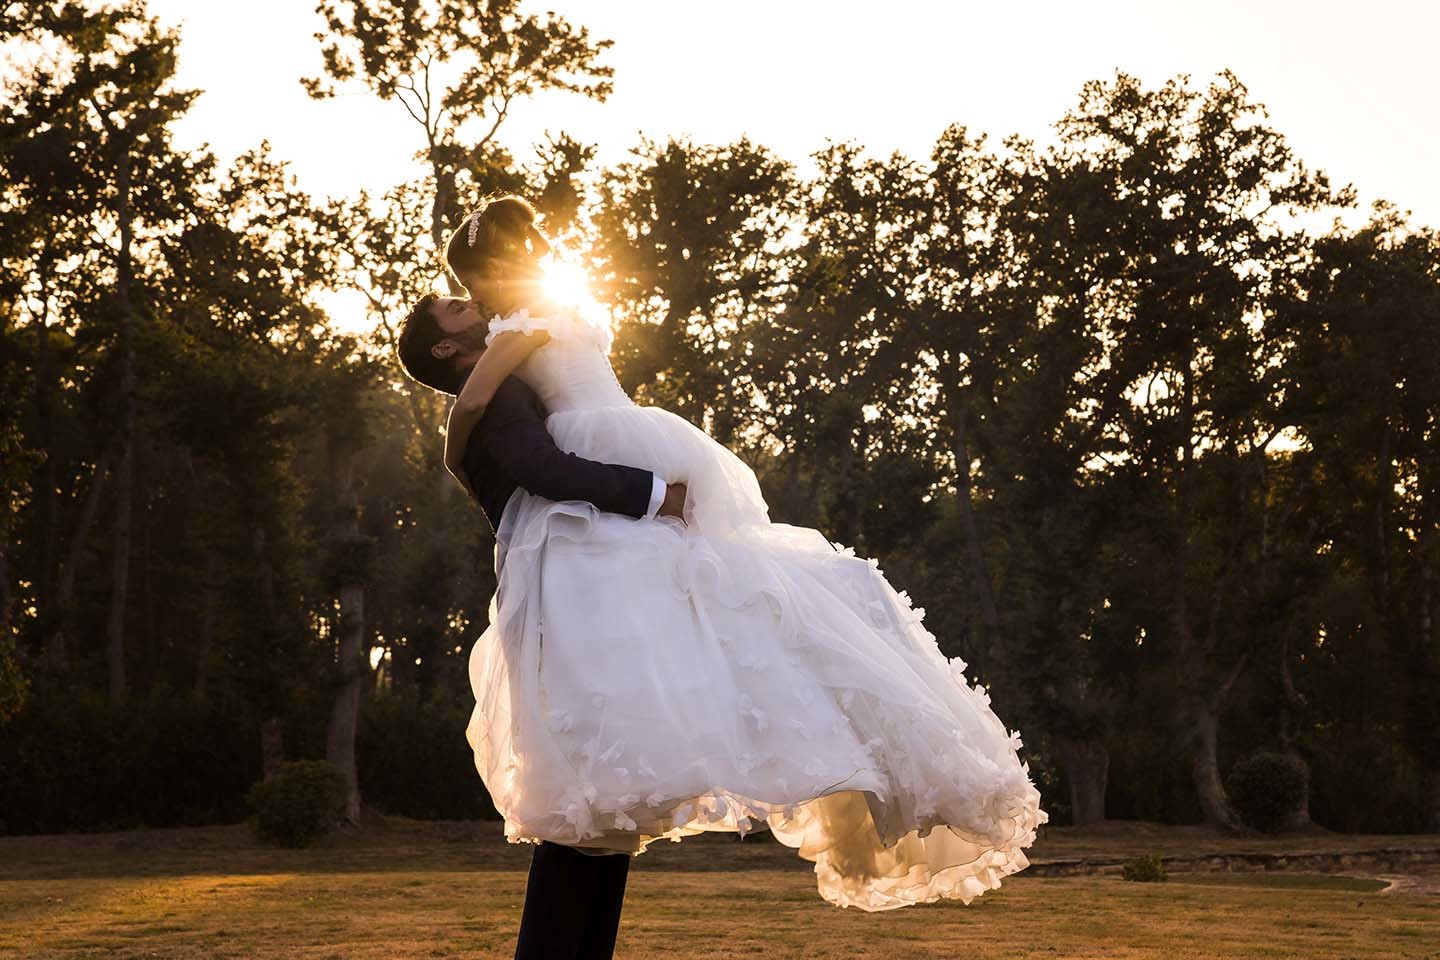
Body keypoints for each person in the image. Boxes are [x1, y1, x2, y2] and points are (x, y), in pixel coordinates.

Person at [409, 193, 1048, 917]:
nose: (465, 300)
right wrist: (455, 450)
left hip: (621, 440)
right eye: (454, 304)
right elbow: (474, 402)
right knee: (689, 595)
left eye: (464, 291)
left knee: (731, 586)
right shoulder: (516, 328)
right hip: (611, 448)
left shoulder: (532, 314)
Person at [397, 285, 680, 958]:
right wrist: (654, 494)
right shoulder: (488, 394)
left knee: (602, 809)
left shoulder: (494, 390)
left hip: (565, 597)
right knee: (581, 811)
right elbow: (540, 466)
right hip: (563, 604)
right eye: (457, 308)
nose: (473, 303)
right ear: (446, 346)